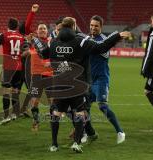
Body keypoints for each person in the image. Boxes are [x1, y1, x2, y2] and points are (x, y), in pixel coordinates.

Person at [32, 17, 131, 152]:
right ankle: (77, 143)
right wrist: (117, 36)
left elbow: (43, 54)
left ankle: (54, 144)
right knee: (80, 113)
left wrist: (35, 40)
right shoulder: (81, 41)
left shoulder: (53, 42)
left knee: (56, 113)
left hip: (60, 84)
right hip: (77, 84)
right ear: (73, 27)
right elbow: (101, 47)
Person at [87, 15, 125, 144]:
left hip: (101, 79)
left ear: (101, 27)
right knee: (83, 108)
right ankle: (87, 133)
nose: (93, 28)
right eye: (91, 25)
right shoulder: (87, 39)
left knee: (102, 106)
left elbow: (99, 49)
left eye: (96, 26)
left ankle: (120, 131)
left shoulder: (104, 41)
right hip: (89, 80)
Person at [24, 4, 54, 131]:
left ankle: (54, 122)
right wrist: (32, 12)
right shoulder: (33, 41)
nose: (42, 30)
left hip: (49, 75)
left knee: (52, 101)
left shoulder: (51, 41)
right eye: (40, 29)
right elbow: (26, 28)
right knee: (34, 101)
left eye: (44, 29)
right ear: (36, 31)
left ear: (47, 31)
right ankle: (36, 121)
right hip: (36, 75)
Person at [141, 15, 153, 108]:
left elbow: (150, 54)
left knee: (147, 91)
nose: (151, 23)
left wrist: (144, 69)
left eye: (152, 20)